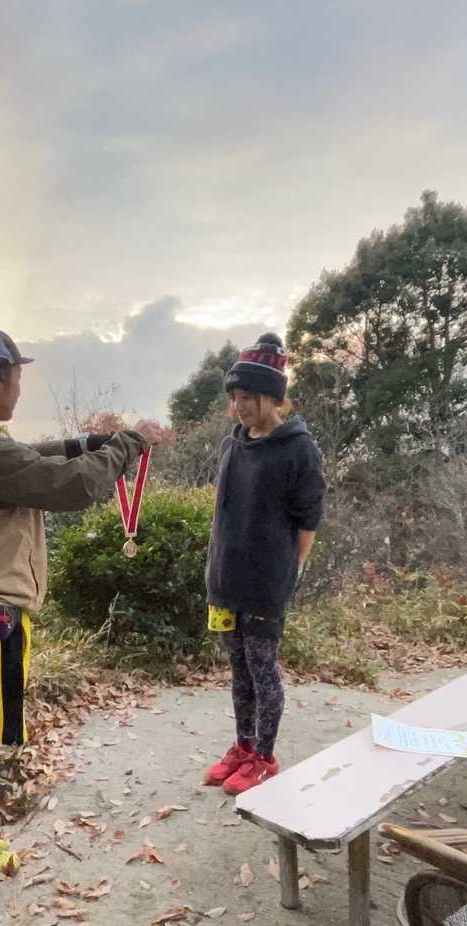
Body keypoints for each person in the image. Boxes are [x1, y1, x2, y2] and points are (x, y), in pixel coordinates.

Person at [0, 327, 149, 878]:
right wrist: (121, 448)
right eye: (17, 376)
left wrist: (88, 443)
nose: (20, 388)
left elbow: (29, 456)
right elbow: (72, 487)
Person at [202, 332, 325, 796]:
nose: (239, 406)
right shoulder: (232, 445)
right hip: (225, 580)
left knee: (262, 670)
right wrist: (214, 571)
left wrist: (290, 573)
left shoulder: (299, 449)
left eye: (248, 396)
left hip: (265, 585)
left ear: (273, 396)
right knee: (238, 671)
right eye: (235, 396)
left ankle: (264, 758)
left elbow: (308, 520)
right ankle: (243, 746)